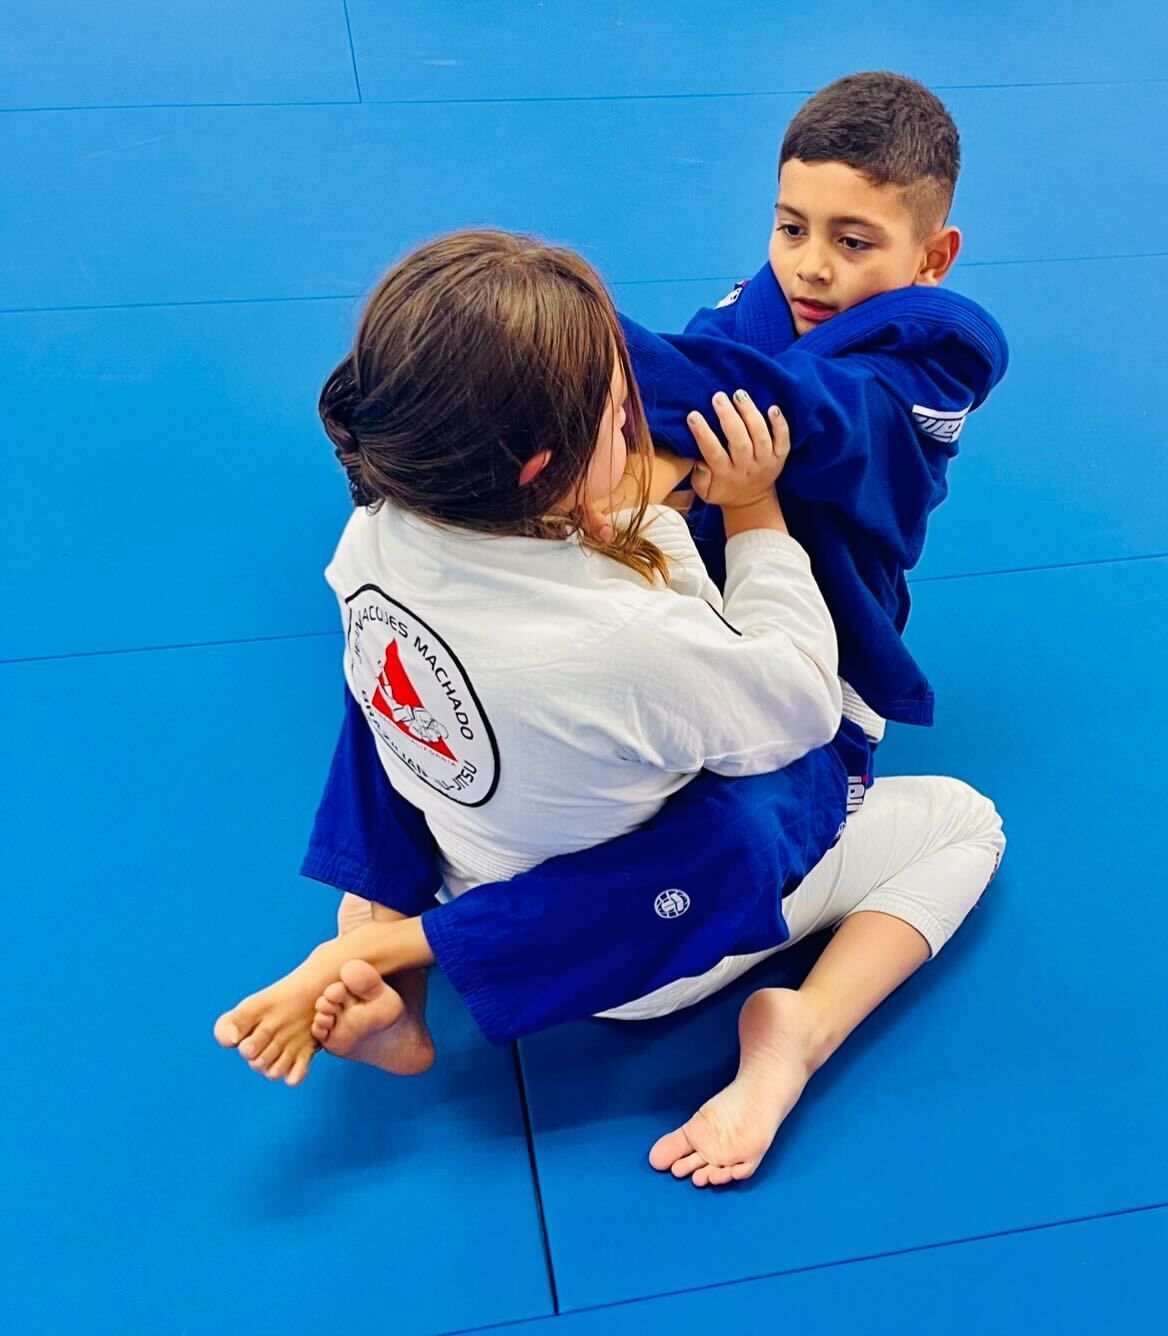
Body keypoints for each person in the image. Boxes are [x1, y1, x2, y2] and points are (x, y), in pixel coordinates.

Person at [214, 232, 1005, 1188]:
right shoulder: (624, 646)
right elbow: (795, 700)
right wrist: (753, 509)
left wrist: (638, 508)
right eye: (622, 414)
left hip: (454, 856)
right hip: (627, 955)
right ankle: (802, 1031)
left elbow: (558, 585)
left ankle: (384, 952)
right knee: (958, 823)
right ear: (544, 465)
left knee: (392, 701)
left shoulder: (374, 533)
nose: (638, 423)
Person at [302, 71, 1010, 1040]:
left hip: (803, 641)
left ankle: (394, 926)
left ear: (935, 257)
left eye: (852, 243)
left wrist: (534, 336)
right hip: (701, 650)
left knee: (721, 816)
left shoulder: (929, 368)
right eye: (790, 227)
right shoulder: (756, 317)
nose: (808, 267)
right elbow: (696, 404)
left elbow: (784, 404)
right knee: (400, 667)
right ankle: (382, 911)